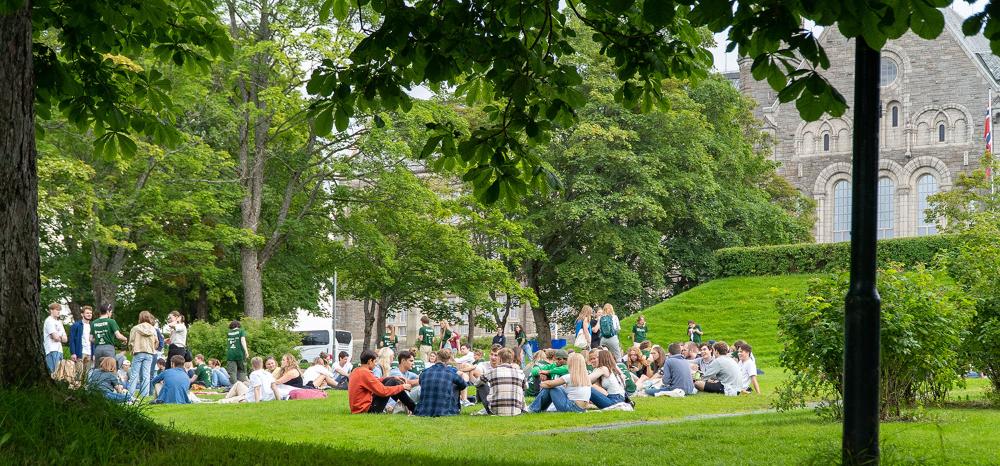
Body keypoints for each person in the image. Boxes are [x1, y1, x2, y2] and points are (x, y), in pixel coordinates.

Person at [348, 349, 414, 414]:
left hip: (358, 408)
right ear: (370, 361)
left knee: (392, 380)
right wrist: (402, 386)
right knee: (393, 382)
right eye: (375, 361)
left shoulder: (357, 370)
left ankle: (411, 407)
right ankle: (413, 408)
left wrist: (393, 377)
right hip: (366, 410)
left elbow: (375, 381)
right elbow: (383, 392)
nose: (376, 364)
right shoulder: (365, 373)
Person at [414, 349, 467, 417]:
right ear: (448, 360)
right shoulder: (450, 373)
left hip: (424, 410)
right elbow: (463, 385)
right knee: (456, 384)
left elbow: (421, 383)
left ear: (437, 357)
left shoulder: (424, 372)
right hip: (445, 410)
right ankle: (455, 407)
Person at [476, 347, 525, 416]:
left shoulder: (491, 372)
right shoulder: (520, 373)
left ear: (500, 359)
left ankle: (482, 405)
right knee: (520, 387)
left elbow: (477, 383)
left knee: (481, 385)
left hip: (495, 411)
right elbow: (526, 387)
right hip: (516, 411)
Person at [126, 310, 159, 397]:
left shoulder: (135, 328)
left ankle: (130, 394)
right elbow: (157, 342)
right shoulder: (153, 329)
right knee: (146, 375)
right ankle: (144, 395)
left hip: (138, 352)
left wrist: (131, 349)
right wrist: (153, 348)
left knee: (134, 374)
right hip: (149, 353)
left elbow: (131, 342)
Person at [91, 303, 127, 369]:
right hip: (109, 348)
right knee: (111, 369)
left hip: (98, 348)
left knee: (98, 369)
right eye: (111, 312)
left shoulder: (94, 323)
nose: (111, 314)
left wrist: (99, 340)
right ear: (107, 312)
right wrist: (125, 339)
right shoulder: (111, 321)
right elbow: (118, 336)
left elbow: (90, 339)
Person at [43, 303, 68, 373]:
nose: (59, 312)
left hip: (60, 350)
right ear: (51, 310)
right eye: (57, 310)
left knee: (60, 373)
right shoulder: (49, 321)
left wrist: (56, 336)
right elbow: (56, 338)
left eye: (59, 310)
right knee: (54, 372)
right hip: (51, 350)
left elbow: (65, 339)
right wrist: (59, 337)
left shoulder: (59, 322)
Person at [68, 305, 94, 370]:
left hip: (90, 354)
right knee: (78, 375)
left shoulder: (92, 326)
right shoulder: (76, 325)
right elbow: (72, 340)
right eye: (87, 313)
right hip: (80, 353)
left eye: (90, 313)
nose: (89, 314)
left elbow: (94, 341)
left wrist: (94, 354)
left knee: (88, 376)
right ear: (82, 314)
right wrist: (73, 353)